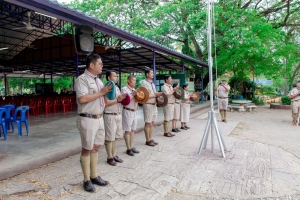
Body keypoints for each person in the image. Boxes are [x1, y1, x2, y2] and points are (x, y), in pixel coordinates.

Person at [75, 53, 122, 193]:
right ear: (92, 65)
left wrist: (119, 99)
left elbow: (106, 101)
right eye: (100, 63)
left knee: (95, 148)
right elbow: (82, 99)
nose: (102, 66)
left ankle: (94, 176)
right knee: (87, 149)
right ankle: (86, 180)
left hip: (99, 118)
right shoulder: (81, 80)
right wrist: (101, 92)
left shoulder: (100, 81)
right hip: (87, 118)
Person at [103, 70, 126, 166]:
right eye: (114, 76)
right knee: (109, 137)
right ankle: (109, 157)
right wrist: (118, 100)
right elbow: (106, 102)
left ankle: (114, 154)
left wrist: (122, 98)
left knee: (116, 137)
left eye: (116, 76)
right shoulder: (106, 88)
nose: (116, 78)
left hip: (117, 114)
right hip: (109, 114)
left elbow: (118, 100)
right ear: (109, 78)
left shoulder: (116, 88)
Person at [141, 68, 162, 146]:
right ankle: (147, 140)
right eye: (151, 73)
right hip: (148, 105)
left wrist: (158, 94)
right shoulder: (144, 83)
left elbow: (154, 93)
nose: (153, 74)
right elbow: (144, 96)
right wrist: (155, 95)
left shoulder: (152, 84)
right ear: (147, 74)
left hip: (154, 105)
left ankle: (150, 138)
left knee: (152, 122)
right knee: (148, 123)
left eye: (153, 73)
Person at [121, 75, 140, 156]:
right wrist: (133, 94)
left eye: (135, 80)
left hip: (134, 111)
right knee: (127, 131)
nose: (134, 82)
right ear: (128, 80)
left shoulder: (134, 89)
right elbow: (125, 101)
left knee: (132, 130)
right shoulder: (124, 89)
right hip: (127, 111)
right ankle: (128, 148)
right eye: (133, 80)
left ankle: (131, 146)